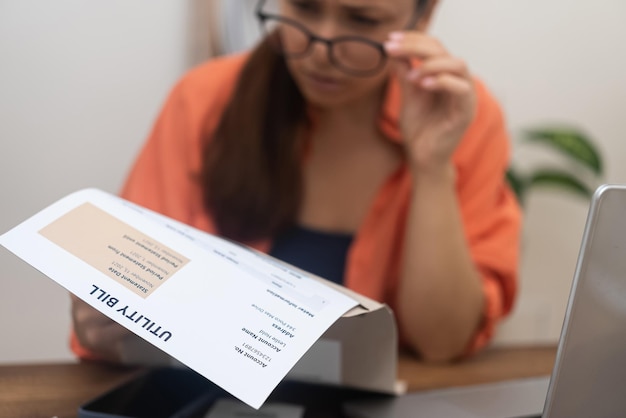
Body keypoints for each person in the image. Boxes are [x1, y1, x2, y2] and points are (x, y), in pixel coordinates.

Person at [71, 0, 521, 364]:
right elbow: (125, 286)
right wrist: (107, 323)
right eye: (304, 8)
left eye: (361, 19)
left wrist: (432, 168)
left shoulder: (459, 115)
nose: (322, 49)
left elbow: (441, 342)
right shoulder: (205, 100)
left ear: (423, 16)